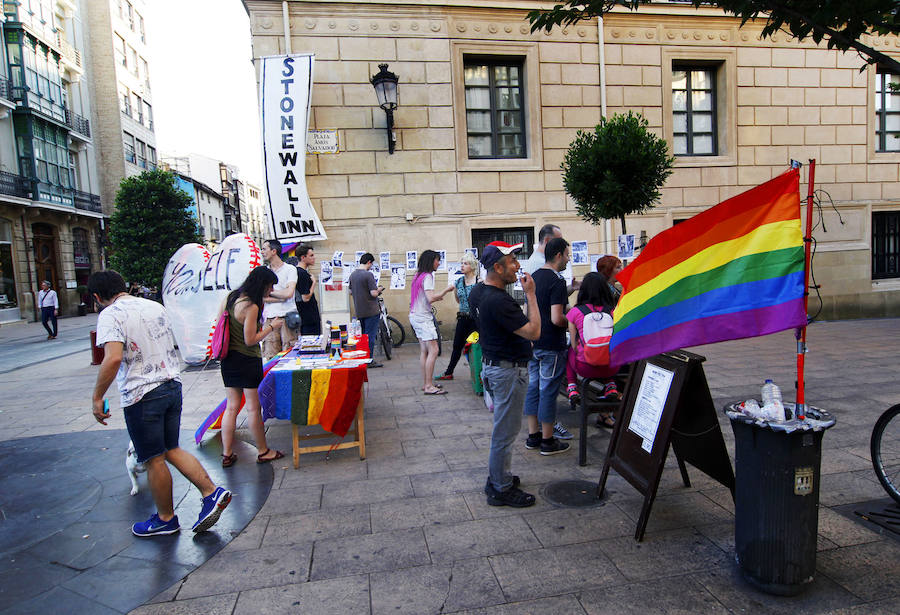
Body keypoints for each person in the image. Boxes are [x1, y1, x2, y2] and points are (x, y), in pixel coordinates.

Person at [88, 270, 231, 537]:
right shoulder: (155, 306)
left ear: (97, 296)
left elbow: (113, 357)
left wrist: (97, 397)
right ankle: (211, 492)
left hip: (142, 393)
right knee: (171, 449)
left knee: (153, 459)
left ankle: (166, 518)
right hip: (171, 385)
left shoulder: (110, 314)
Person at [469, 241, 540, 507]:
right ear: (497, 268)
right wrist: (531, 295)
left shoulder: (478, 292)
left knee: (504, 428)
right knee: (505, 433)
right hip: (507, 372)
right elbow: (534, 331)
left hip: (494, 366)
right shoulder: (499, 300)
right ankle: (500, 487)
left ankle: (500, 476)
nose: (518, 266)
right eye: (512, 261)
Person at [220, 266, 286, 467]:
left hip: (228, 359)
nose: (271, 290)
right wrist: (271, 327)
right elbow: (250, 340)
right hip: (247, 361)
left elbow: (220, 324)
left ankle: (227, 453)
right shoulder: (251, 307)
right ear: (262, 285)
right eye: (270, 286)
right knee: (253, 408)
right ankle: (263, 451)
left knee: (231, 407)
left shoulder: (231, 298)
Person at [524, 237, 573, 454]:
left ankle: (533, 436)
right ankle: (547, 440)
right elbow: (556, 318)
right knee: (548, 391)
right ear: (558, 255)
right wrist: (572, 323)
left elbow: (528, 311)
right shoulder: (557, 280)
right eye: (567, 255)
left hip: (533, 342)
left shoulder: (534, 277)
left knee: (533, 388)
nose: (568, 259)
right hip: (552, 345)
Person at [564, 272, 623, 427]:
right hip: (611, 368)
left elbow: (575, 346)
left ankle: (572, 386)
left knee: (571, 349)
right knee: (606, 351)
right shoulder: (613, 311)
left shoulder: (575, 312)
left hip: (586, 368)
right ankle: (610, 385)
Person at [409, 249, 454, 395]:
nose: (439, 263)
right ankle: (429, 386)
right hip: (423, 318)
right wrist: (446, 290)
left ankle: (426, 383)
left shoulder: (418, 275)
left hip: (415, 315)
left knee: (424, 350)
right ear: (431, 261)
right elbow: (430, 298)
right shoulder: (428, 276)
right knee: (434, 350)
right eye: (437, 260)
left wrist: (436, 296)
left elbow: (425, 297)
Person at [436, 252, 479, 381]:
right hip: (463, 318)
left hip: (475, 320)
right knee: (457, 346)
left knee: (474, 346)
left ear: (472, 266)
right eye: (461, 263)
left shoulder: (479, 282)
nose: (462, 266)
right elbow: (458, 299)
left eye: (465, 263)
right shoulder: (459, 281)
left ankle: (478, 373)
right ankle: (449, 372)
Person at [261, 239, 298, 360]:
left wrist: (270, 293)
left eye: (264, 249)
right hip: (270, 318)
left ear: (274, 251)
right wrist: (281, 297)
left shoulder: (290, 269)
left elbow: (289, 293)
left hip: (288, 317)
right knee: (271, 356)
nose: (262, 252)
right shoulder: (264, 272)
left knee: (290, 354)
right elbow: (262, 297)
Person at [349, 253, 384, 368]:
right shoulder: (368, 275)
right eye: (371, 264)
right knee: (370, 336)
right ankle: (369, 360)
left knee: (363, 336)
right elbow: (373, 293)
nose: (371, 266)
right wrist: (379, 289)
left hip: (360, 310)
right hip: (371, 310)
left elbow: (350, 292)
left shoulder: (353, 275)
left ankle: (363, 358)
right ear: (369, 262)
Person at [523, 224, 578, 295]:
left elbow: (554, 294)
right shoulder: (540, 263)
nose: (561, 244)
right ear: (547, 240)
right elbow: (545, 296)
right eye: (558, 240)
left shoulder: (543, 261)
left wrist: (572, 287)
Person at [295, 244, 321, 336]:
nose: (314, 258)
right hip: (308, 318)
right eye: (311, 255)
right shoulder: (301, 273)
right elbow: (305, 298)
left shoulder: (300, 272)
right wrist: (313, 283)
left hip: (307, 317)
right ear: (303, 257)